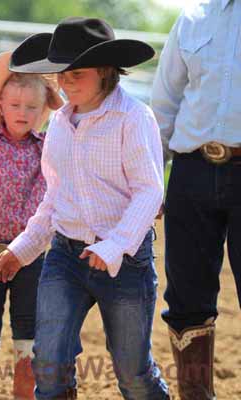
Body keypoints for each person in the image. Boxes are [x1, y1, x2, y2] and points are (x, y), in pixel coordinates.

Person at [0, 19, 170, 399]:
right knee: (49, 364)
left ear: (105, 72)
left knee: (133, 374)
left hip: (125, 262)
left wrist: (114, 246)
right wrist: (22, 248)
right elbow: (55, 198)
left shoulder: (134, 117)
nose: (67, 82)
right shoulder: (59, 123)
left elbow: (149, 192)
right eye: (62, 74)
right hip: (65, 256)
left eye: (78, 73)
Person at [151, 1, 241, 398]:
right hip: (191, 169)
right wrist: (152, 178)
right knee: (185, 296)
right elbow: (165, 103)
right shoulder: (192, 18)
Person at [0, 51, 62, 399]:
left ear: (44, 110)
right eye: (16, 105)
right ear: (0, 105)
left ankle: (25, 394)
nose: (23, 113)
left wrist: (56, 98)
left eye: (32, 107)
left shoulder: (47, 146)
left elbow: (70, 124)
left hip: (29, 254)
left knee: (28, 330)